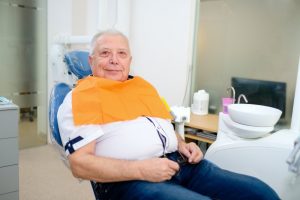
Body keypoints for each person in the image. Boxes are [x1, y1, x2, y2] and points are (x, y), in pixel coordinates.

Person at [57, 29, 280, 200]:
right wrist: (141, 169)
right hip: (129, 179)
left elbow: (162, 125)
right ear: (91, 60)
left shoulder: (142, 87)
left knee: (261, 193)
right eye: (105, 53)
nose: (114, 60)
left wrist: (182, 144)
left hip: (184, 165)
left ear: (129, 60)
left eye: (121, 54)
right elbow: (80, 164)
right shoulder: (81, 97)